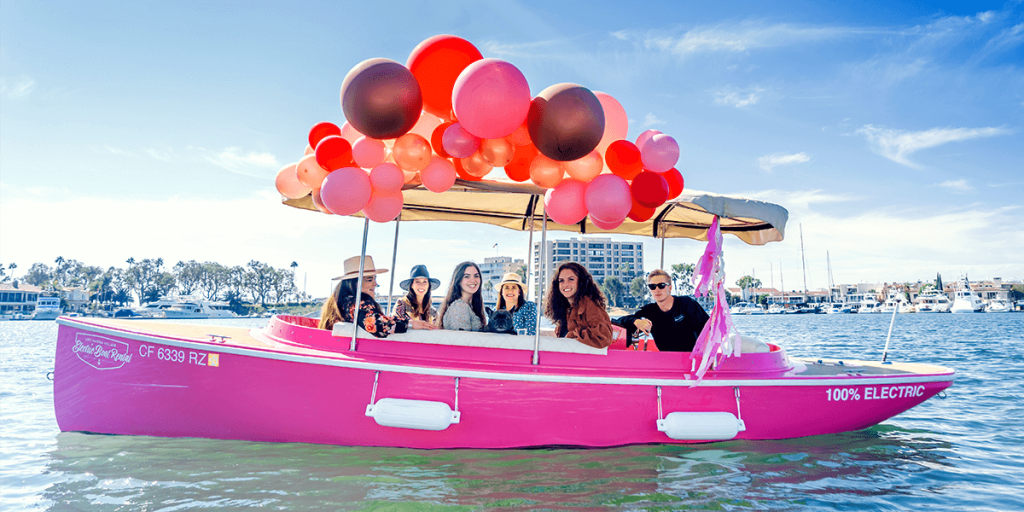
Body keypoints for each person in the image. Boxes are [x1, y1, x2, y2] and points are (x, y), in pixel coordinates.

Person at [616, 269, 709, 352]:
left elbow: (707, 328)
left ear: (670, 288)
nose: (657, 289)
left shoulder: (686, 304)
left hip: (691, 359)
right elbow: (619, 322)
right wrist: (636, 321)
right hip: (666, 360)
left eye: (661, 285)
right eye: (652, 286)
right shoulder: (649, 311)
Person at [318, 255, 406, 337]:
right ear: (355, 283)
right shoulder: (359, 304)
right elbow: (380, 327)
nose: (375, 284)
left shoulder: (342, 301)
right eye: (369, 279)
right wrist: (407, 323)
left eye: (374, 279)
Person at [544, 262, 613, 348]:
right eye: (561, 281)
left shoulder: (588, 303)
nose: (565, 284)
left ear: (581, 281)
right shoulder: (566, 308)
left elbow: (603, 337)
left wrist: (572, 334)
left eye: (571, 279)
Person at [437, 261, 487, 331]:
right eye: (467, 276)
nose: (473, 280)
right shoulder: (459, 307)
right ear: (459, 281)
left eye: (476, 276)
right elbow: (463, 339)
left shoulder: (471, 306)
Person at [392, 264, 440, 330]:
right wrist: (412, 324)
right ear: (412, 285)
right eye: (417, 282)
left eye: (425, 282)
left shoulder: (433, 312)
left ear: (429, 285)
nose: (421, 285)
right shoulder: (401, 305)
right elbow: (393, 325)